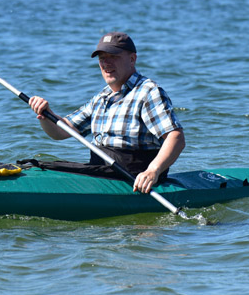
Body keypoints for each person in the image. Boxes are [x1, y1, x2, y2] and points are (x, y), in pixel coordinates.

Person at [29, 32, 185, 194]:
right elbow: (61, 131)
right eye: (102, 58)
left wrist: (153, 171)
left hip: (134, 180)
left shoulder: (148, 92)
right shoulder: (101, 98)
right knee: (42, 166)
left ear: (132, 59)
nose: (106, 63)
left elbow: (176, 138)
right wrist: (45, 114)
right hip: (102, 174)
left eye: (113, 56)